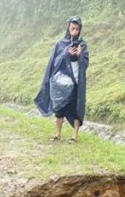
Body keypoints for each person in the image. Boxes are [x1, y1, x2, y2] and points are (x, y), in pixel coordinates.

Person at [35, 15, 89, 143]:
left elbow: (86, 62)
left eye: (77, 29)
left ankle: (74, 135)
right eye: (72, 28)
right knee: (59, 108)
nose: (74, 31)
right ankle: (57, 133)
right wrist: (67, 54)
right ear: (68, 28)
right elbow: (55, 62)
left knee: (76, 107)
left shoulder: (83, 45)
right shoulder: (60, 44)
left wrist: (79, 55)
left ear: (80, 30)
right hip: (61, 83)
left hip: (76, 81)